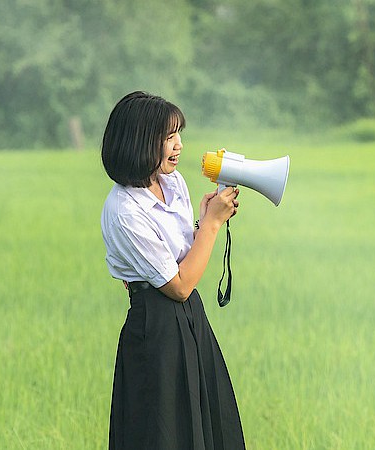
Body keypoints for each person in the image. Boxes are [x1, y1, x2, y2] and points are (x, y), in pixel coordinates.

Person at [100, 91, 246, 449]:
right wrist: (211, 225)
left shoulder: (172, 183)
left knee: (205, 425)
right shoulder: (125, 210)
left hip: (191, 318)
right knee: (163, 432)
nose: (179, 145)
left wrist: (204, 219)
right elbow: (179, 284)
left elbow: (182, 260)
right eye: (168, 137)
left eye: (178, 134)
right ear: (139, 142)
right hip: (157, 327)